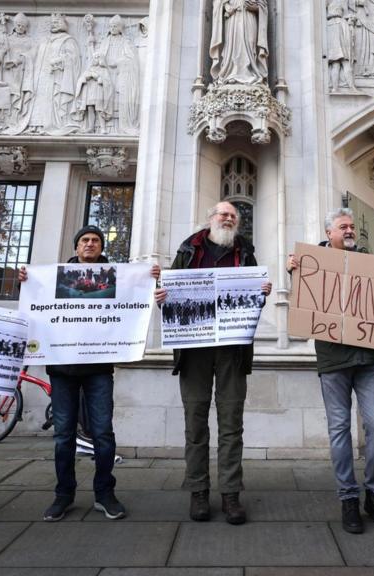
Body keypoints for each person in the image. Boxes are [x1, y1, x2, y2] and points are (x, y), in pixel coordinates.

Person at [18, 225, 159, 522]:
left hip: (98, 370)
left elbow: (132, 305)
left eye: (95, 240)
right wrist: (28, 282)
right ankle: (63, 494)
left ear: (100, 247)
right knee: (63, 436)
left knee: (103, 433)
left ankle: (105, 493)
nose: (90, 244)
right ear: (76, 246)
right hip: (62, 369)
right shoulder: (54, 278)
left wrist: (149, 281)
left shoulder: (115, 278)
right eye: (85, 240)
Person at [153, 202, 272, 524]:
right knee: (195, 423)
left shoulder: (245, 253)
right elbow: (168, 292)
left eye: (233, 215)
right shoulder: (188, 250)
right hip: (194, 350)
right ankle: (199, 492)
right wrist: (161, 295)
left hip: (232, 351)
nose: (228, 218)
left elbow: (253, 301)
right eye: (223, 214)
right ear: (210, 220)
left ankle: (231, 494)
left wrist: (262, 292)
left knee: (232, 424)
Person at [285, 208, 374, 535]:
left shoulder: (369, 261)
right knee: (339, 429)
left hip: (368, 359)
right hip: (334, 360)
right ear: (329, 232)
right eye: (342, 226)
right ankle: (348, 497)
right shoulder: (312, 263)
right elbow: (300, 308)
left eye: (351, 226)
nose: (349, 230)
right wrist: (293, 273)